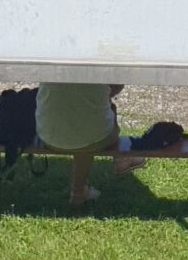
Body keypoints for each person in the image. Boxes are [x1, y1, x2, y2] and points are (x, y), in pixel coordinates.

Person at [35, 81, 146, 212]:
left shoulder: (50, 60)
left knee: (84, 130)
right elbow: (117, 85)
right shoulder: (103, 61)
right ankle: (119, 160)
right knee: (94, 130)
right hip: (93, 138)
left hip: (48, 136)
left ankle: (79, 190)